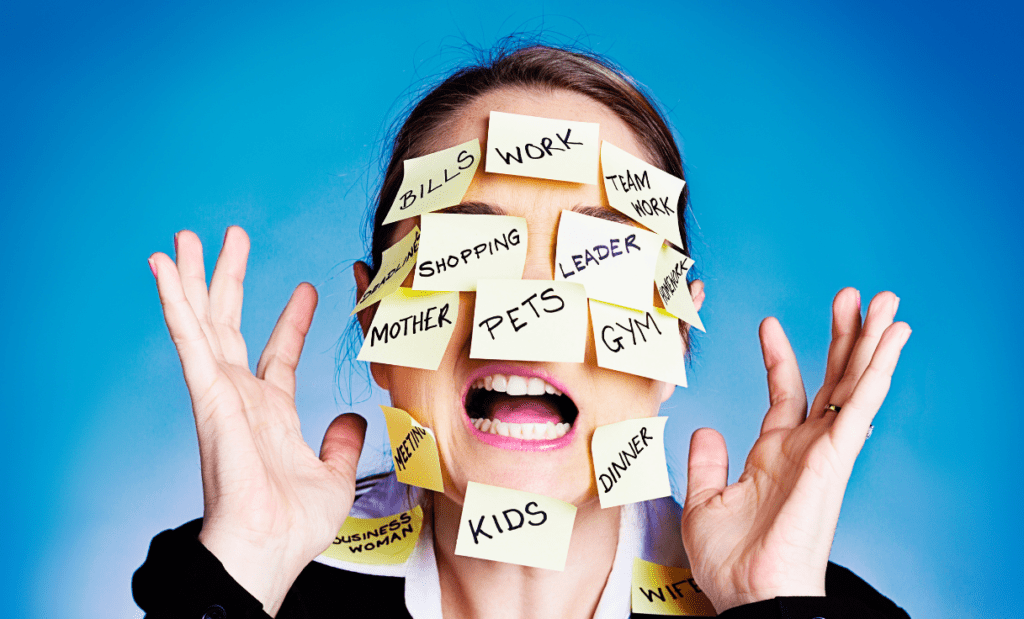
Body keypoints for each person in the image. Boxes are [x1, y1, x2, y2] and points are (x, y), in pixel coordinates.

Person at [133, 44, 912, 618]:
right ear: (376, 323)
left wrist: (772, 612)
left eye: (602, 256)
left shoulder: (805, 605)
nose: (531, 315)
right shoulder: (224, 580)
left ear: (673, 336)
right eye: (466, 251)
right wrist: (242, 579)